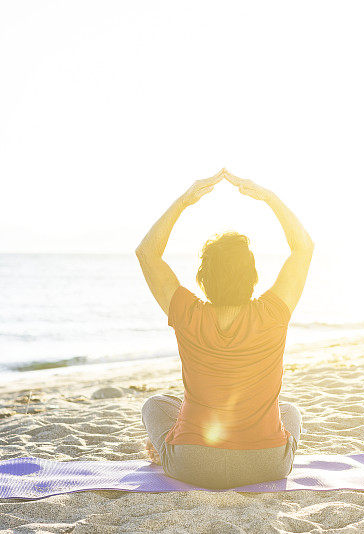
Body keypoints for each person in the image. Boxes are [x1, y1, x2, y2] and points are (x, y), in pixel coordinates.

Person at [135, 168, 314, 489]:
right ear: (253, 278)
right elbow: (303, 248)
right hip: (268, 463)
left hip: (192, 463)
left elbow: (146, 252)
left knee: (155, 405)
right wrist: (269, 198)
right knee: (290, 412)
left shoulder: (187, 312)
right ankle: (169, 447)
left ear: (203, 279)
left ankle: (165, 450)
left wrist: (184, 201)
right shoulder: (273, 312)